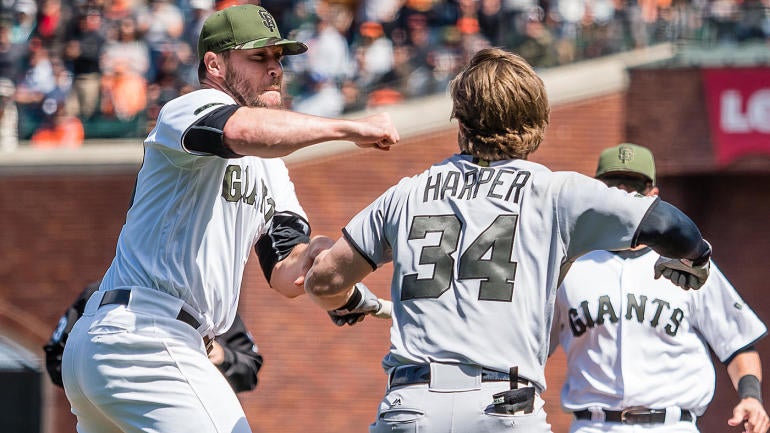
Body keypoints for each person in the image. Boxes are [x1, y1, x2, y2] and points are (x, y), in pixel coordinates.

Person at [302, 47, 713, 433]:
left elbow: (323, 281)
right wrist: (696, 260)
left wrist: (351, 302)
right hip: (503, 404)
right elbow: (671, 227)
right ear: (536, 122)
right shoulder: (556, 192)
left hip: (412, 404)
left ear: (460, 121)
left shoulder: (407, 192)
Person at [60, 4, 399, 433]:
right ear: (214, 64)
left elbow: (284, 270)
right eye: (259, 57)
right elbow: (241, 131)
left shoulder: (274, 168)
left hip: (130, 341)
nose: (275, 68)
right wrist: (351, 129)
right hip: (146, 335)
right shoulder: (190, 108)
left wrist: (319, 256)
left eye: (279, 58)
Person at [550, 143, 769, 433]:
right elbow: (532, 346)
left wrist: (751, 397)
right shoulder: (570, 266)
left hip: (671, 425)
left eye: (635, 188)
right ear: (596, 195)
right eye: (614, 187)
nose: (624, 196)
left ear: (653, 196)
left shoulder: (688, 262)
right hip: (592, 425)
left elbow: (738, 343)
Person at [45, 280, 263, 393]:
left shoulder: (211, 301)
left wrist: (222, 356)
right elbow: (56, 357)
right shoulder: (103, 294)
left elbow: (250, 366)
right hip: (111, 415)